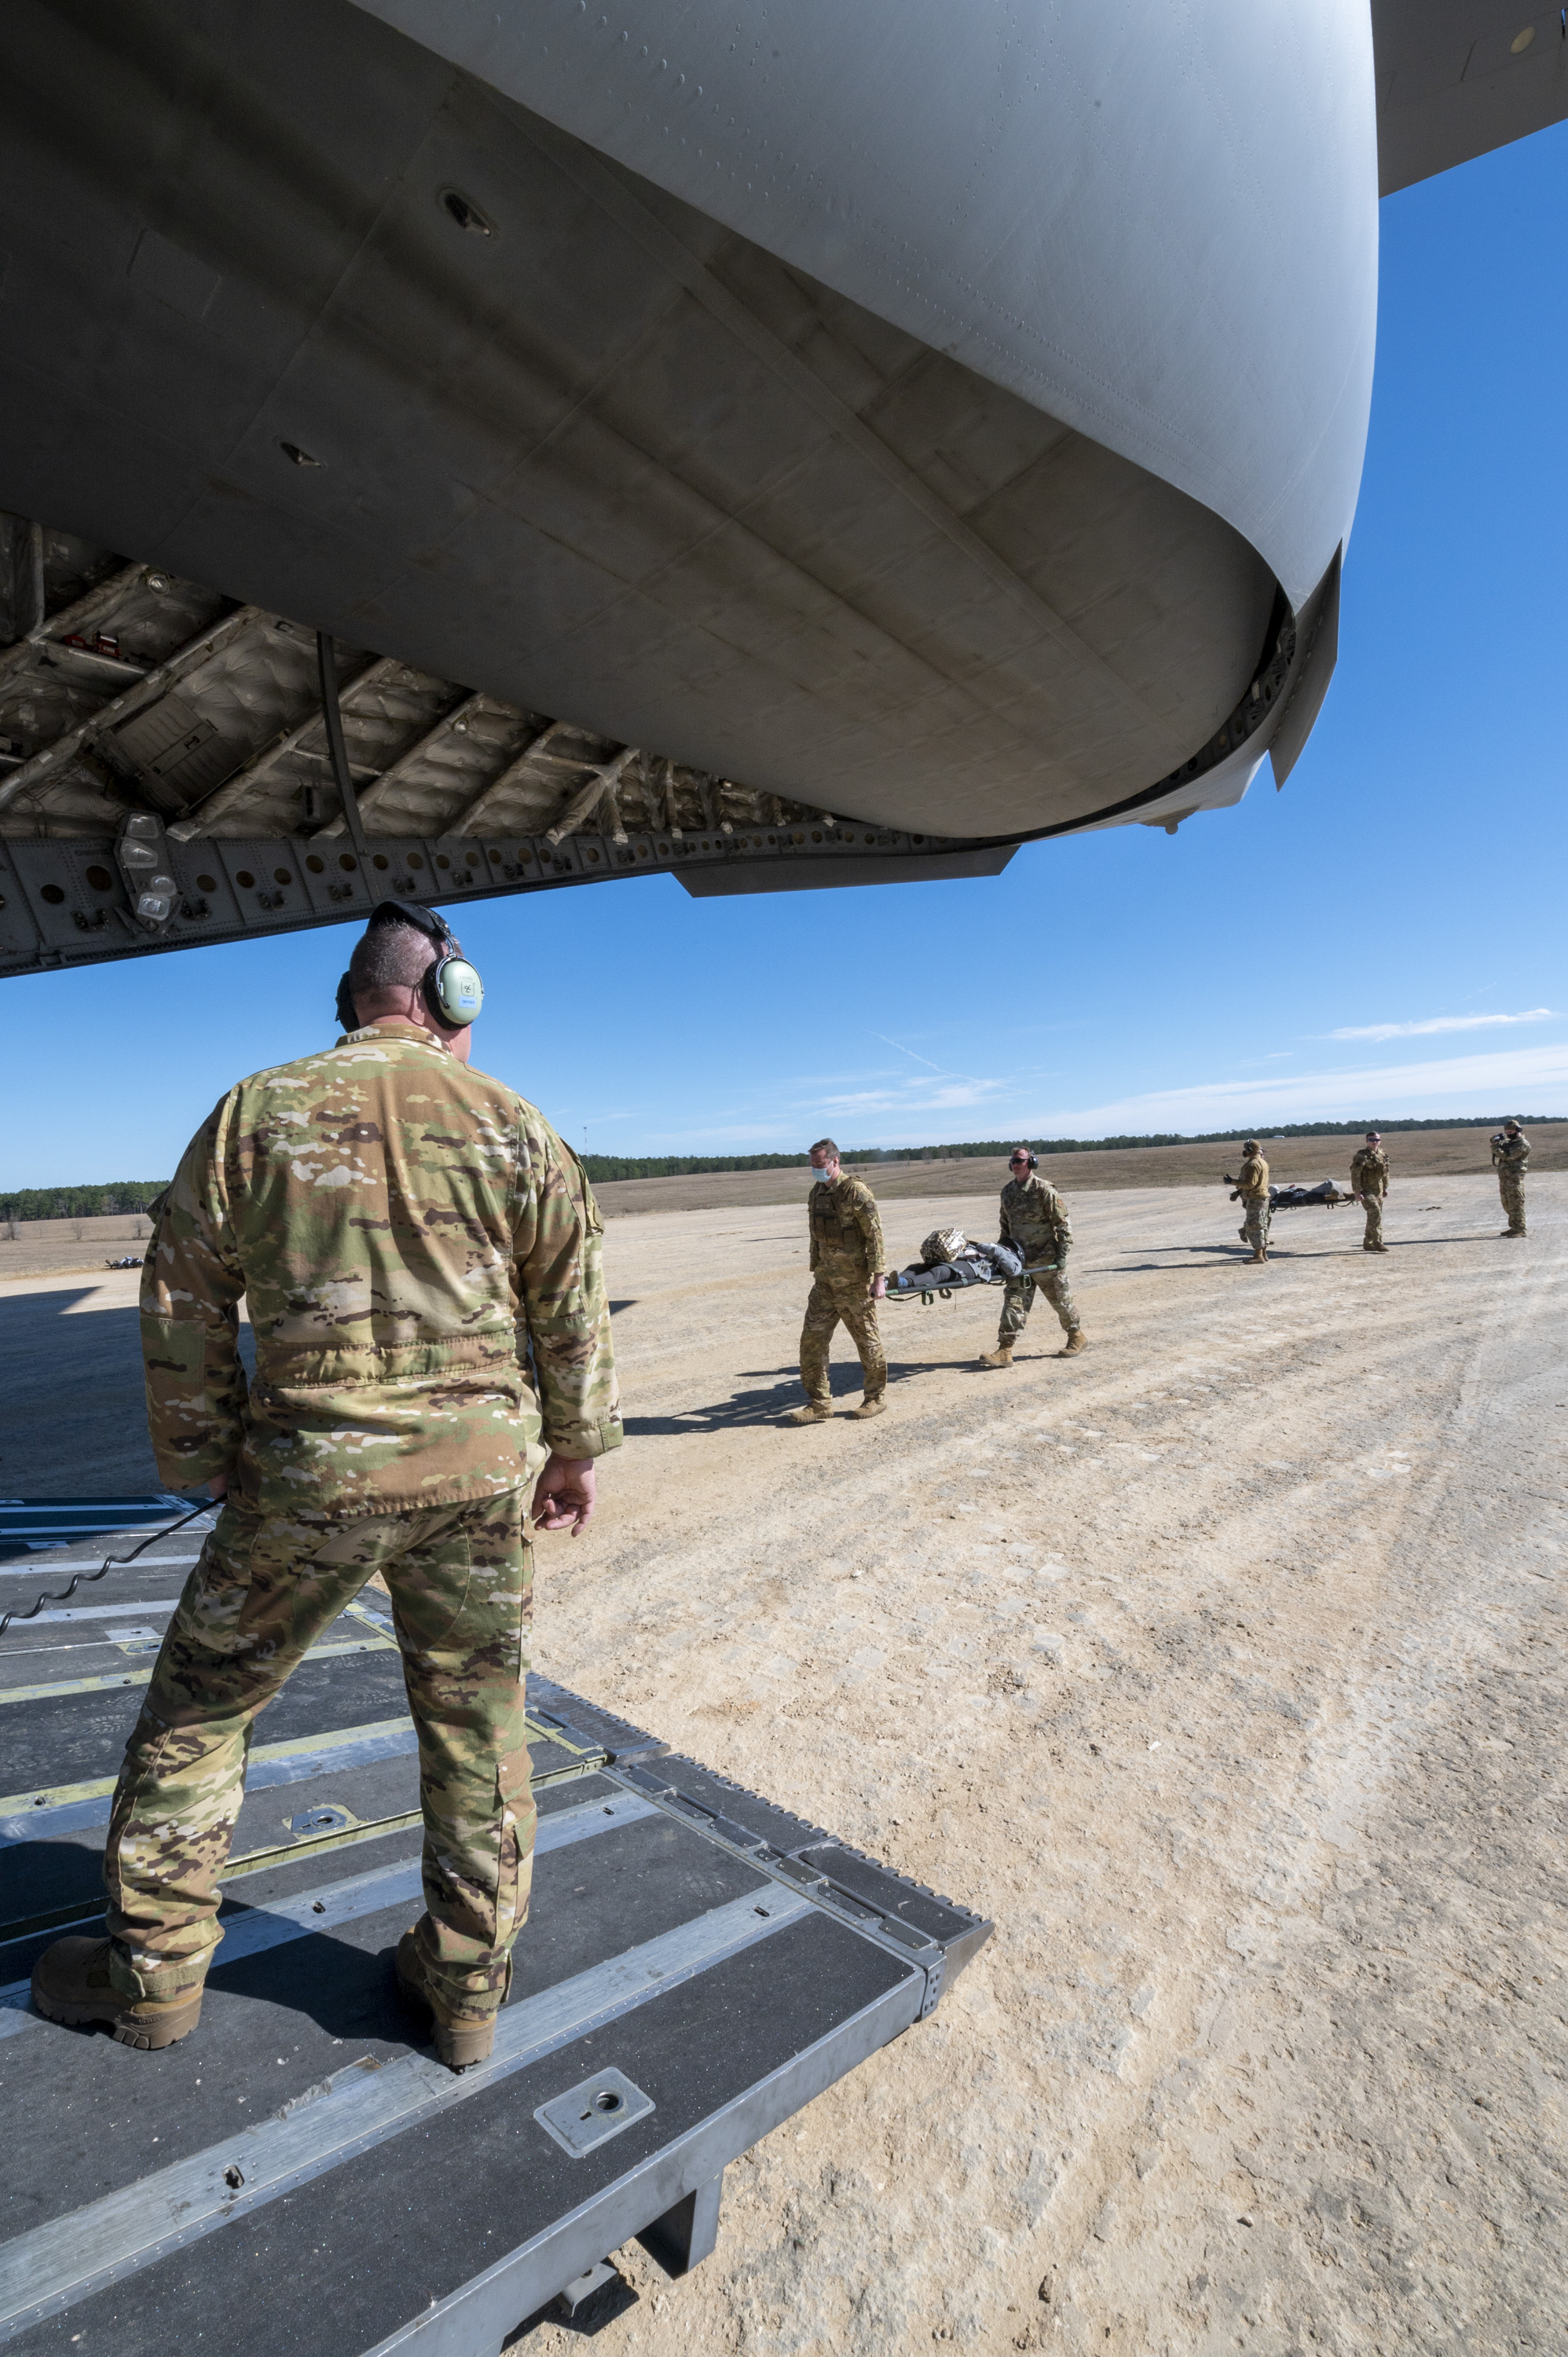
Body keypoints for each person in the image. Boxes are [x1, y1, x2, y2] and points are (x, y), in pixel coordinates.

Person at [31, 901, 621, 2069]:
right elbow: (572, 1297)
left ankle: (150, 1978)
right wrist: (573, 1448)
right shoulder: (515, 1122)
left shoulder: (255, 1112)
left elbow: (182, 1295)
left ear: (353, 999)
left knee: (197, 1722)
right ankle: (465, 1994)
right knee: (476, 1728)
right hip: (477, 1484)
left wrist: (202, 1459)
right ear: (453, 997)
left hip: (305, 1483)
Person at [789, 1138, 888, 1422]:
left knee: (867, 1343)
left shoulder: (855, 1192)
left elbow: (875, 1237)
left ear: (835, 1161)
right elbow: (815, 1237)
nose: (816, 1170)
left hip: (854, 1284)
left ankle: (875, 1398)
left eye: (820, 1165)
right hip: (825, 1285)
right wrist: (816, 1268)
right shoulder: (816, 1193)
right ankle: (820, 1404)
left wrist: (878, 1278)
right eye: (813, 1166)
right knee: (812, 1344)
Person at [980, 1148, 1085, 1365]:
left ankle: (1076, 1336)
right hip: (1019, 1261)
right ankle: (1005, 1350)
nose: (1015, 1164)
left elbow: (1063, 1224)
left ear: (1032, 1163)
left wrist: (1062, 1256)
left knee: (1061, 1303)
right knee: (1014, 1303)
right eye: (1012, 1161)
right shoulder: (1007, 1191)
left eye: (1020, 1160)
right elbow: (1005, 1226)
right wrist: (1001, 1254)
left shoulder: (1044, 1190)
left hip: (1046, 1260)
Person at [1230, 1141, 1272, 1263]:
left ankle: (1258, 1256)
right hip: (1262, 1197)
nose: (1243, 1151)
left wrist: (1231, 1182)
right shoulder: (1263, 1162)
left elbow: (1250, 1184)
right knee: (1261, 1225)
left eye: (1245, 1149)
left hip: (1256, 1198)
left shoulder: (1252, 1164)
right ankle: (1263, 1253)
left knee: (1254, 1225)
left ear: (1250, 1150)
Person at [1349, 1131, 1390, 1252]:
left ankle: (1368, 1242)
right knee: (1375, 1212)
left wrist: (1385, 1188)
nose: (1375, 1142)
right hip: (1366, 1189)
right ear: (1367, 1141)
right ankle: (1378, 1242)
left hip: (1378, 1189)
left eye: (1377, 1140)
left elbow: (1385, 1172)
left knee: (1375, 1216)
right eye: (1372, 1140)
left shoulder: (1382, 1154)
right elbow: (1355, 1174)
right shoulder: (1362, 1155)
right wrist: (1357, 1192)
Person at [1490, 1120, 1530, 1237]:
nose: (1508, 1134)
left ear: (1518, 1131)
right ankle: (1514, 1227)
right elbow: (1501, 1153)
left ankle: (1521, 1229)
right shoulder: (1510, 1143)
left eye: (1511, 1132)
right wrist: (1497, 1143)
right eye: (1506, 1132)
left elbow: (1509, 1156)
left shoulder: (1522, 1144)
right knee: (1507, 1205)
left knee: (1516, 1205)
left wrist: (1495, 1148)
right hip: (1505, 1179)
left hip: (1514, 1179)